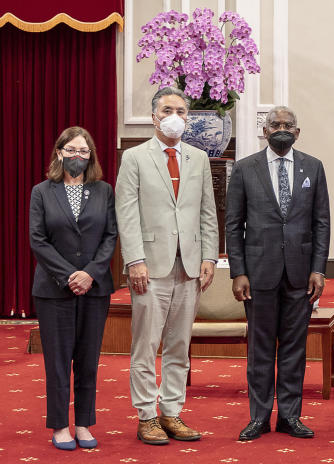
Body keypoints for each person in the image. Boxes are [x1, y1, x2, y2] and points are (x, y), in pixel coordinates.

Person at [115, 86, 218, 446]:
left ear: (188, 118)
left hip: (189, 266)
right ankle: (146, 415)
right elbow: (126, 212)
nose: (175, 115)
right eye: (167, 109)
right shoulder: (135, 158)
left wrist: (209, 256)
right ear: (154, 115)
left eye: (181, 110)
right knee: (146, 345)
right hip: (150, 266)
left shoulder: (198, 158)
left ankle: (171, 411)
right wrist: (134, 260)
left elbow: (207, 211)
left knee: (178, 345)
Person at [225, 106, 331, 441]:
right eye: (275, 125)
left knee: (294, 348)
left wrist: (318, 268)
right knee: (259, 349)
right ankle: (258, 417)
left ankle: (289, 416)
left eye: (288, 125)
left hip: (300, 274)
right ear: (264, 131)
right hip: (258, 274)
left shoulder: (313, 167)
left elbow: (321, 223)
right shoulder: (244, 169)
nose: (281, 129)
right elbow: (233, 225)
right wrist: (238, 272)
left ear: (297, 132)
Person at [30, 127, 117, 451]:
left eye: (83, 151)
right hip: (54, 290)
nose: (77, 156)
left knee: (88, 361)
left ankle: (83, 423)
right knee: (57, 362)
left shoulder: (103, 191)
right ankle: (60, 426)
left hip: (95, 290)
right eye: (71, 150)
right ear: (59, 153)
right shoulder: (42, 192)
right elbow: (37, 240)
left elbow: (110, 236)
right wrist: (70, 275)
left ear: (91, 156)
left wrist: (90, 274)